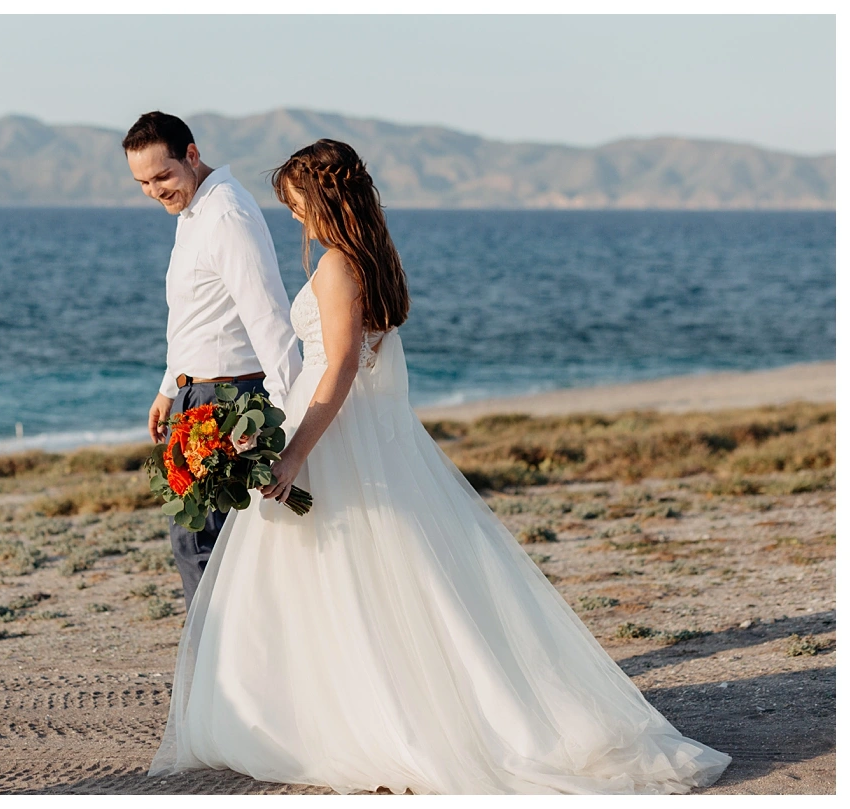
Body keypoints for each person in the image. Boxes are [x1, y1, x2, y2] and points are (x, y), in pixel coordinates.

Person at [147, 139, 732, 794]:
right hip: (354, 437)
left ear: (324, 198)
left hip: (332, 439)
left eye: (295, 203)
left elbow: (337, 370)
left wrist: (293, 454)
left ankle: (348, 719)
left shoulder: (339, 267)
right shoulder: (369, 258)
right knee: (361, 583)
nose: (292, 217)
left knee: (347, 582)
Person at [122, 112, 302, 609]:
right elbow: (195, 316)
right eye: (142, 182)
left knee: (202, 542)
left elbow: (269, 319)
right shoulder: (193, 212)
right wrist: (168, 387)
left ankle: (217, 668)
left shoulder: (226, 215)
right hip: (194, 394)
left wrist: (297, 425)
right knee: (204, 541)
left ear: (192, 156)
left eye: (163, 175)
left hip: (228, 402)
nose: (155, 190)